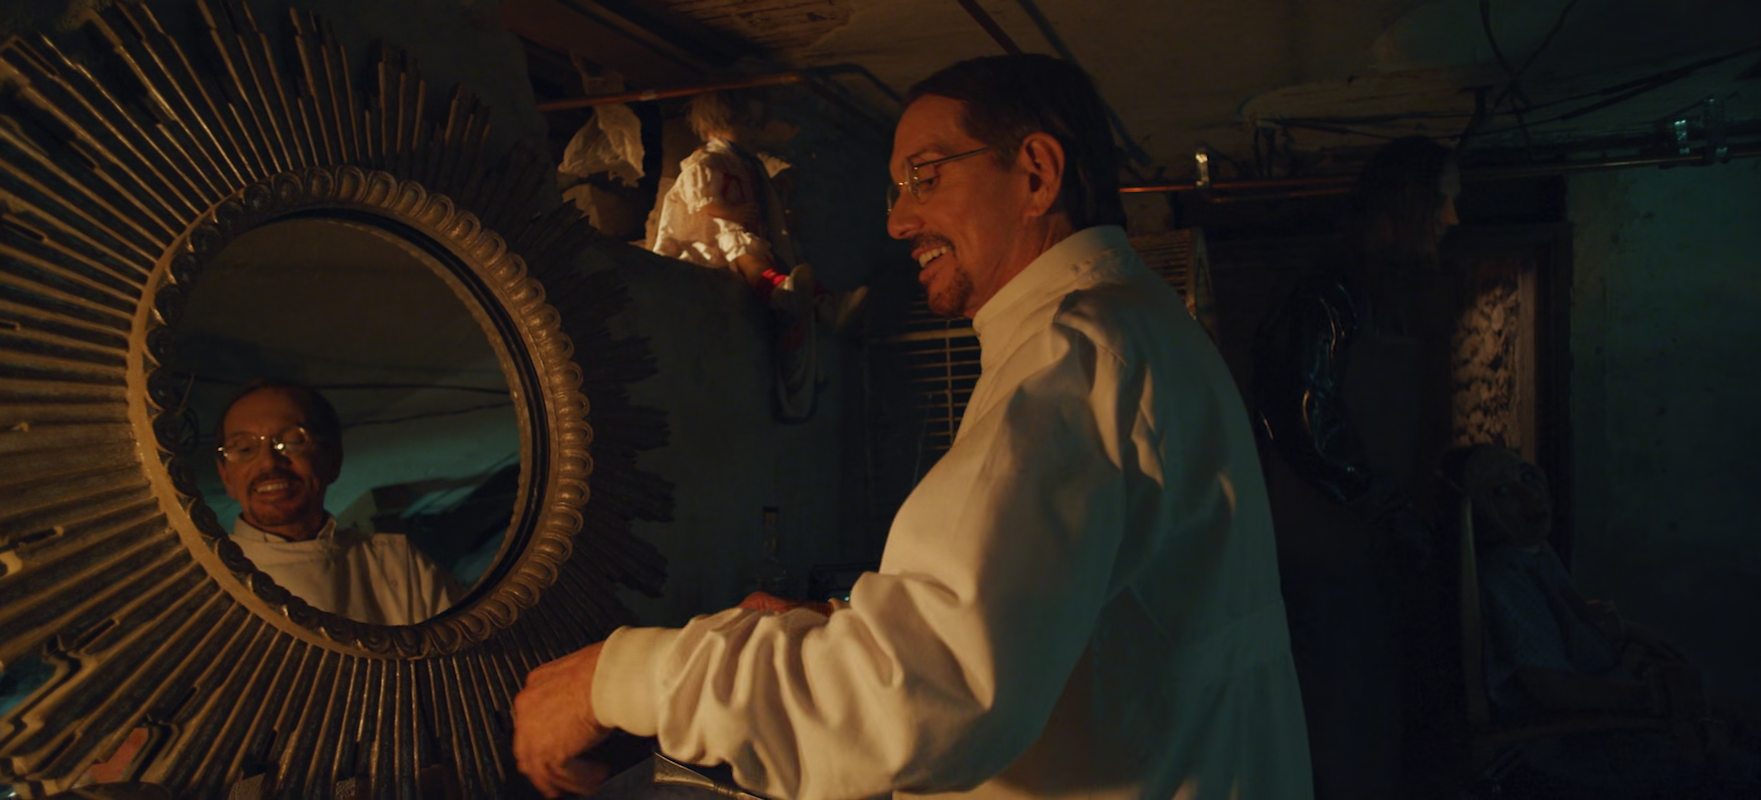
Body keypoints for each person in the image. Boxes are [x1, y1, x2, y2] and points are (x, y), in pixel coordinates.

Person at [512, 55, 1311, 799]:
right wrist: (835, 626)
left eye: (924, 178)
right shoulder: (1133, 325)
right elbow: (1071, 621)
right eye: (898, 189)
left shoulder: (1072, 355)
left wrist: (615, 678)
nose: (899, 222)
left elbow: (927, 692)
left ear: (1036, 175)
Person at [1247, 135, 1462, 799]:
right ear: (1407, 204)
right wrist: (1379, 502)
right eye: (1443, 200)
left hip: (1359, 539)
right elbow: (1300, 419)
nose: (1453, 217)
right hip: (1326, 541)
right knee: (1337, 704)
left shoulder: (1374, 297)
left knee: (1369, 701)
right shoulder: (1327, 296)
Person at [1456, 444, 1761, 799]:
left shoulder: (1532, 551)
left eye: (1527, 477)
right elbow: (1553, 690)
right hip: (1583, 743)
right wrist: (1666, 702)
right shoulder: (1504, 574)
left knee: (1757, 731)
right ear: (1477, 513)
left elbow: (1563, 621)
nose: (1530, 495)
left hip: (1617, 710)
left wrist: (1629, 630)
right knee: (1754, 771)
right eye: (1502, 491)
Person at [649, 92, 866, 422]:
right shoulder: (706, 161)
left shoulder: (747, 162)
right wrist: (731, 211)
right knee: (752, 262)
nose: (754, 131)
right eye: (746, 123)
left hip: (754, 235)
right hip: (724, 236)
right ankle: (781, 294)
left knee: (784, 264)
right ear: (716, 126)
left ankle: (826, 305)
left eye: (755, 123)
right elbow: (701, 202)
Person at [213, 380, 461, 626]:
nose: (268, 462)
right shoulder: (208, 582)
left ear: (332, 459)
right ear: (226, 477)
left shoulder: (398, 565)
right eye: (244, 449)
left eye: (291, 442)